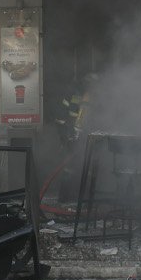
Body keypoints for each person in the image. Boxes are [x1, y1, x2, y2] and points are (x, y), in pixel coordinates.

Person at [55, 72, 96, 202]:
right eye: (89, 84)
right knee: (70, 167)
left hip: (86, 138)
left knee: (87, 167)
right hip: (72, 137)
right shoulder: (73, 95)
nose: (90, 87)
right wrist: (65, 136)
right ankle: (64, 197)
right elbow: (61, 117)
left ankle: (85, 199)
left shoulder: (94, 98)